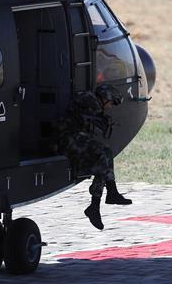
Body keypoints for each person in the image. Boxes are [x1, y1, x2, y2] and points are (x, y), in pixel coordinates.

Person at [56, 84, 131, 230]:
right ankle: (107, 196)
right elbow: (93, 117)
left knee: (104, 158)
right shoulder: (89, 100)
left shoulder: (91, 101)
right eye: (110, 103)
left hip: (75, 137)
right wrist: (104, 121)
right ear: (105, 98)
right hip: (67, 139)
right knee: (104, 155)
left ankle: (99, 203)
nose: (109, 107)